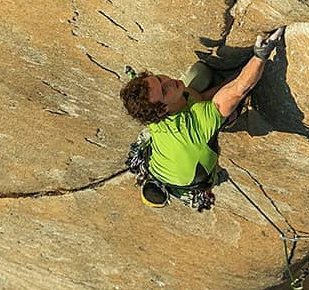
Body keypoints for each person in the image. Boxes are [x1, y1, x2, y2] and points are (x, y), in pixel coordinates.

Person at [118, 28, 283, 193]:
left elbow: (198, 97)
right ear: (161, 112)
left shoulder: (153, 109)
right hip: (191, 179)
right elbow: (239, 89)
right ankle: (215, 175)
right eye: (164, 91)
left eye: (159, 79)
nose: (169, 82)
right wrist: (260, 56)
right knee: (230, 107)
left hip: (159, 166)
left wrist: (226, 82)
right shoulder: (199, 125)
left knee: (199, 72)